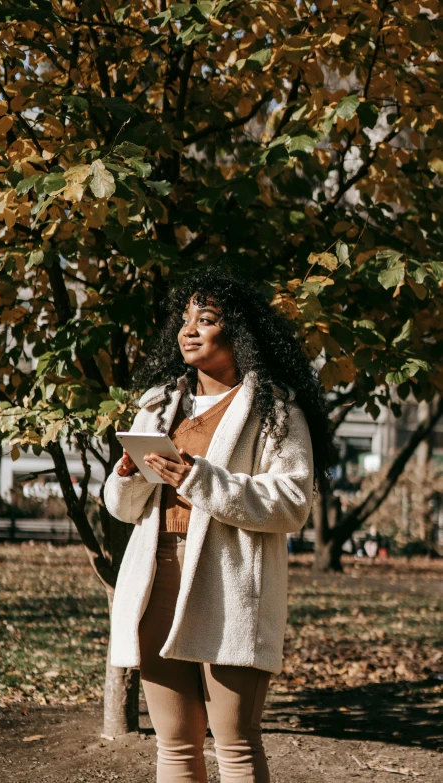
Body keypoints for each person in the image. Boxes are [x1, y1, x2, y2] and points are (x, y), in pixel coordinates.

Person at [104, 270, 336, 783]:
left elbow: (293, 502)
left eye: (206, 320)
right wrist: (128, 477)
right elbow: (122, 510)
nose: (189, 330)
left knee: (233, 741)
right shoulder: (158, 403)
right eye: (185, 320)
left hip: (230, 581)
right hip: (156, 575)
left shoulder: (274, 408)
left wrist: (197, 478)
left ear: (240, 335)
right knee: (175, 744)